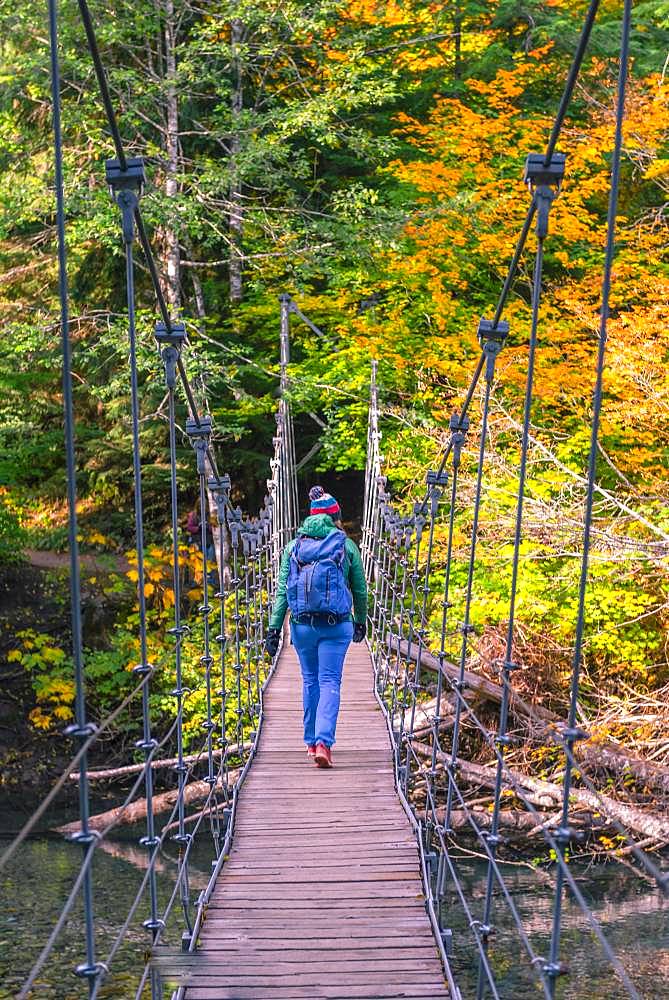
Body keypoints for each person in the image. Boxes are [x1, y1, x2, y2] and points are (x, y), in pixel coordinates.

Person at [265, 486, 367, 769]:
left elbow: (283, 592)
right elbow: (360, 590)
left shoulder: (293, 547)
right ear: (335, 517)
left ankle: (310, 742)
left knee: (310, 680)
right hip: (337, 626)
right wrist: (361, 620)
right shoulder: (346, 546)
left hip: (302, 626)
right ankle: (324, 743)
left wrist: (274, 629)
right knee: (330, 681)